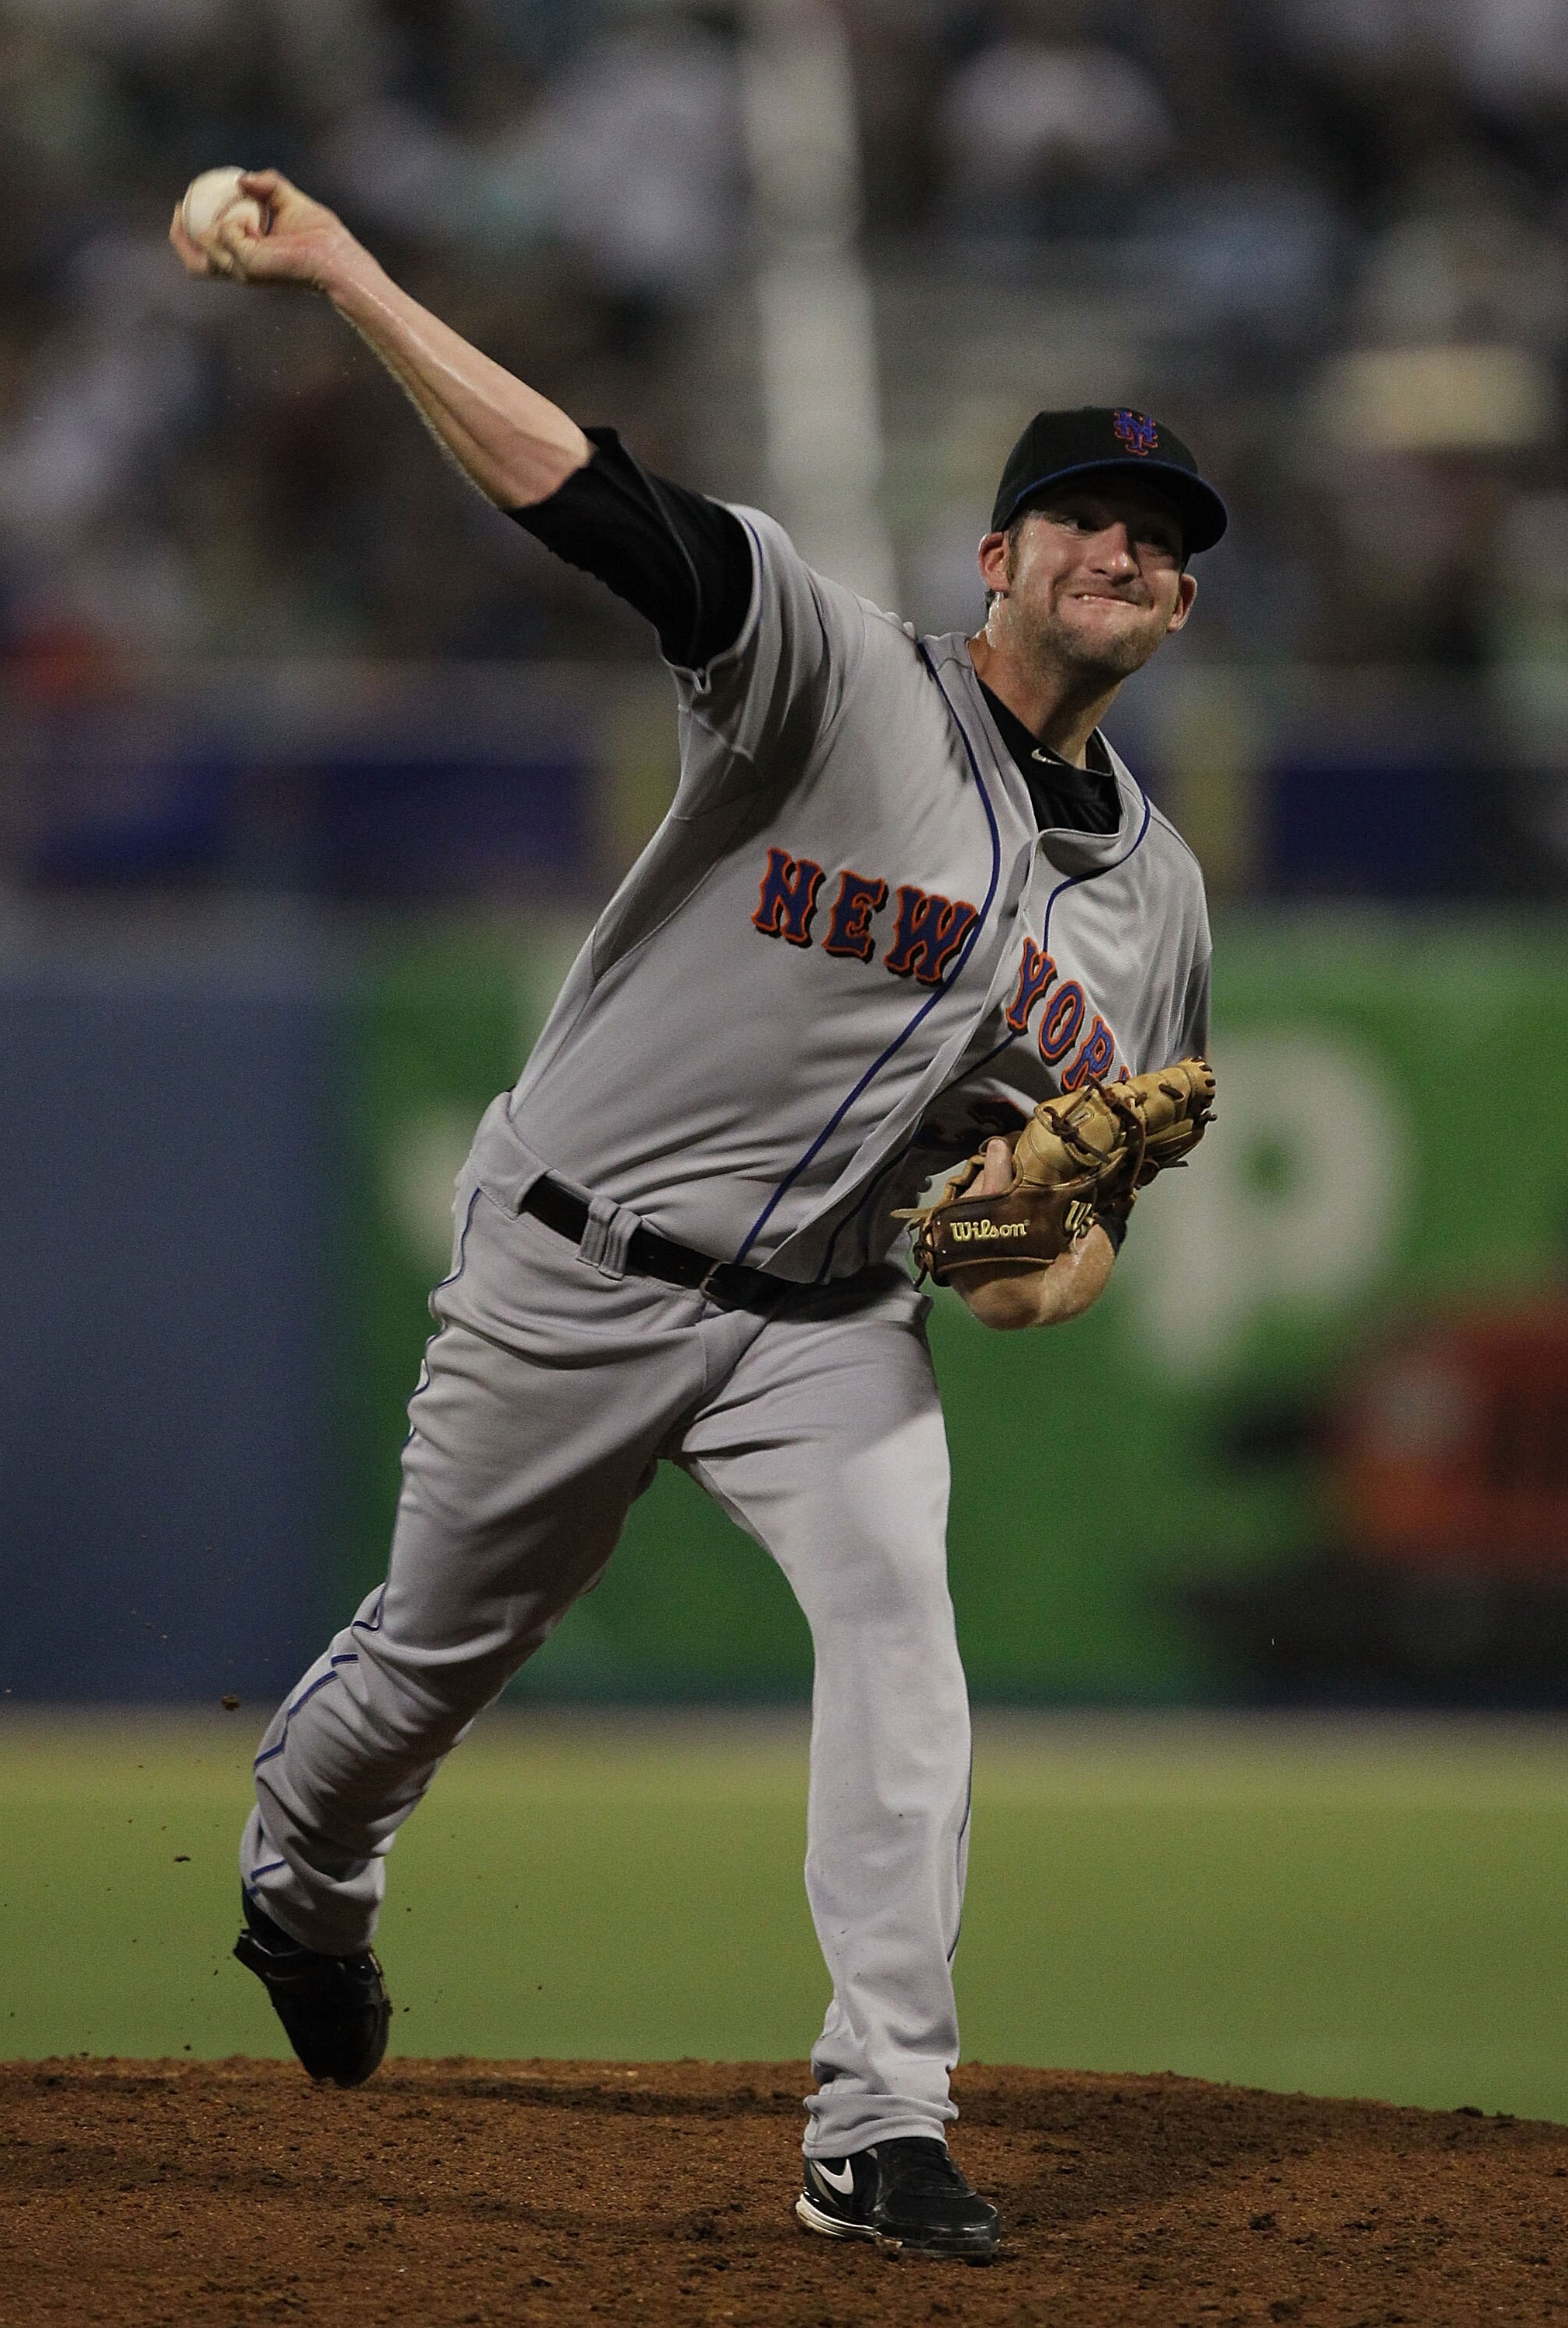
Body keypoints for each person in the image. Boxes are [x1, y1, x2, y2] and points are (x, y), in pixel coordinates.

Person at [171, 170, 1223, 2265]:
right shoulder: (836, 677)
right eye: (1089, 517)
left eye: (1167, 539)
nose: (1127, 549)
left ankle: (880, 2117)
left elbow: (1068, 1250)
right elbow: (582, 492)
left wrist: (1039, 1249)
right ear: (994, 555)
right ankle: (305, 1875)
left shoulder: (1158, 909)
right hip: (575, 1259)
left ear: (1180, 607)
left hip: (827, 1323)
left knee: (903, 1640)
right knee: (428, 1667)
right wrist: (350, 272)